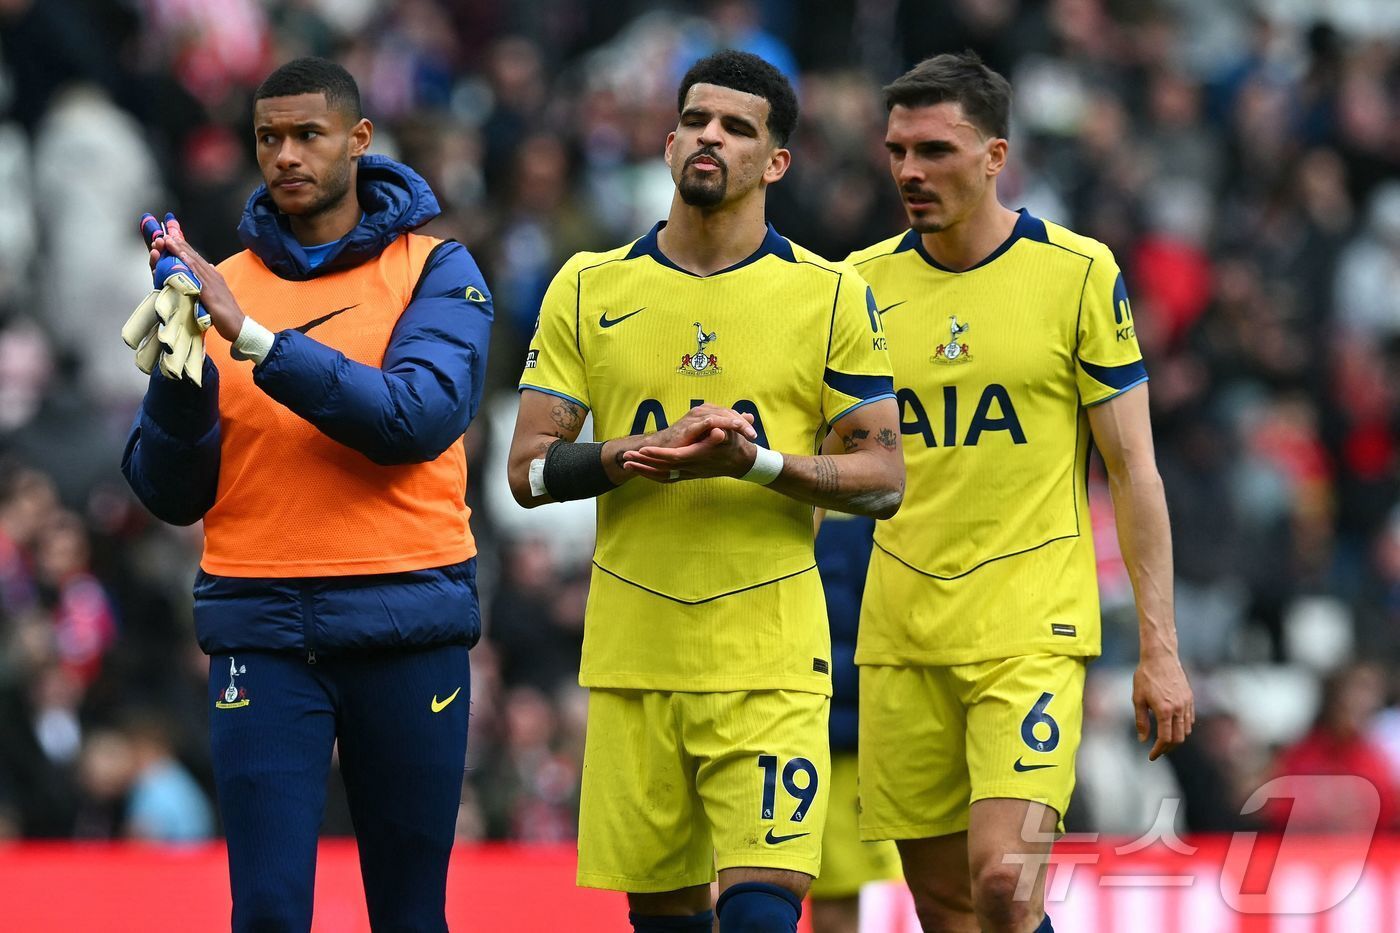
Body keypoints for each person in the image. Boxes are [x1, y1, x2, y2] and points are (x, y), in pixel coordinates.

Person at [506, 50, 903, 933]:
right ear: (669, 139)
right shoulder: (587, 285)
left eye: (737, 126)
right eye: (696, 119)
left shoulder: (831, 293)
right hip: (633, 654)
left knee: (763, 914)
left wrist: (756, 464)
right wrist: (632, 451)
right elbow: (527, 471)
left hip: (769, 658)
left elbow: (883, 480)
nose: (710, 137)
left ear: (777, 161)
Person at [121, 57, 493, 932]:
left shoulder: (436, 268)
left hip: (406, 621)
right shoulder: (219, 284)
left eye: (307, 135)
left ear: (360, 140)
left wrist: (252, 340)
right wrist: (180, 391)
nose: (285, 154)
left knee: (409, 915)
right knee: (270, 914)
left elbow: (414, 417)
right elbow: (172, 494)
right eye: (267, 138)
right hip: (263, 629)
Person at [846, 53, 1194, 933]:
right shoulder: (856, 287)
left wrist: (1160, 647)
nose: (910, 171)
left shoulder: (1076, 272)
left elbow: (1134, 470)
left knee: (1004, 879)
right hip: (902, 628)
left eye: (936, 149)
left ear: (996, 154)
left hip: (1028, 628)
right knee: (945, 904)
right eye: (897, 150)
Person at [809, 511, 900, 933]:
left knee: (837, 897)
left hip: (843, 747)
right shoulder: (761, 482)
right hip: (752, 731)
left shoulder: (885, 511)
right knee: (733, 891)